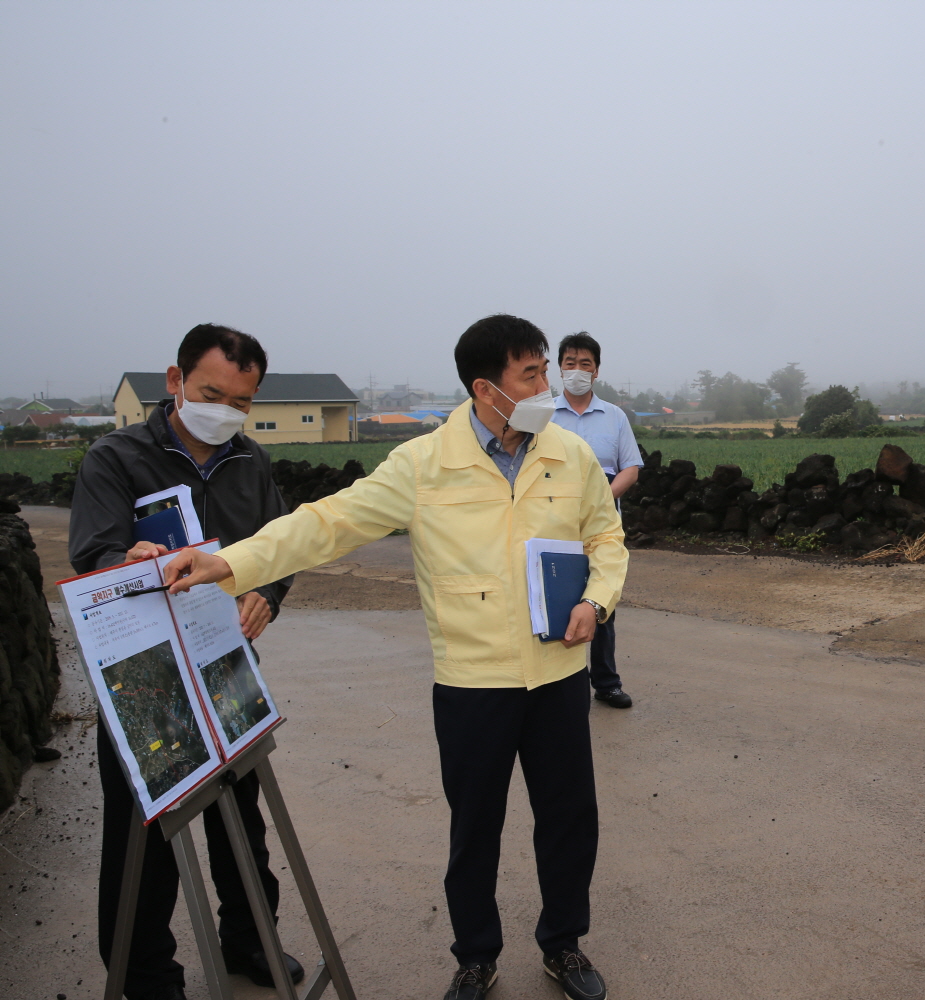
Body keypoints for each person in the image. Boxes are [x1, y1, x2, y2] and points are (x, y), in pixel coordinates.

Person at [160, 314, 627, 1000]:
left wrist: (599, 601)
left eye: (547, 372)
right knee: (475, 831)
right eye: (531, 374)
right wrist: (227, 563)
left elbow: (606, 541)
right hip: (473, 683)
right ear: (486, 387)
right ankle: (476, 955)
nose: (547, 386)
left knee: (568, 822)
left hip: (558, 675)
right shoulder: (423, 464)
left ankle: (564, 945)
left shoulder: (570, 455)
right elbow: (327, 523)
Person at [69, 324, 303, 1000]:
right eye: (210, 393)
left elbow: (278, 549)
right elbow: (93, 554)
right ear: (174, 382)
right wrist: (126, 562)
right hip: (141, 677)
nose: (224, 411)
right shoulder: (116, 458)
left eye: (240, 402)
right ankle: (144, 973)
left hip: (225, 663)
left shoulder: (250, 462)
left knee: (241, 815)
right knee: (146, 832)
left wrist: (268, 594)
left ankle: (250, 939)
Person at [549, 331, 644, 709]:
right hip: (553, 519)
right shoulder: (543, 415)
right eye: (569, 363)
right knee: (552, 595)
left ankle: (606, 682)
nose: (576, 370)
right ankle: (554, 683)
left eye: (584, 364)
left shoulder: (615, 416)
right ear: (559, 369)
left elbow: (631, 467)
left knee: (601, 601)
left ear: (597, 371)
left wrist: (600, 500)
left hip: (601, 522)